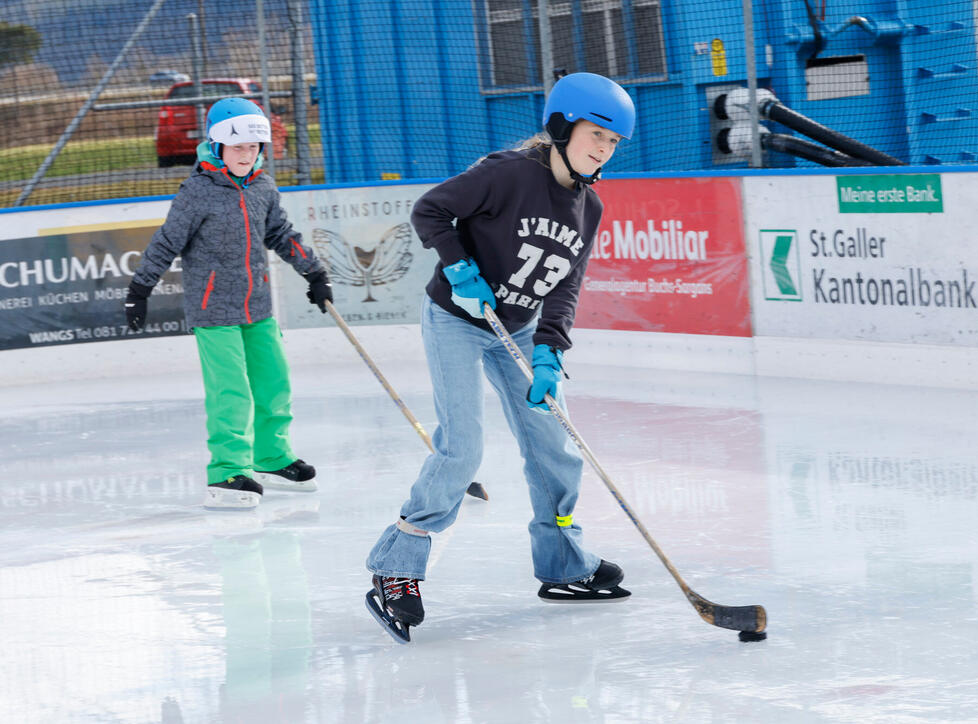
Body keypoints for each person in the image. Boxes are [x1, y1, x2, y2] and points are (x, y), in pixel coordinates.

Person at [364, 72, 636, 643]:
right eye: (596, 135)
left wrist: (548, 353)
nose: (603, 149)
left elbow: (565, 285)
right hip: (458, 319)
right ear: (562, 127)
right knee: (462, 448)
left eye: (612, 142)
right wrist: (459, 267)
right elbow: (431, 211)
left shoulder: (590, 207)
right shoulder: (508, 173)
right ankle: (397, 566)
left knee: (555, 448)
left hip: (520, 327)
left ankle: (564, 562)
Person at [124, 97, 334, 510]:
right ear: (217, 147)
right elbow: (167, 242)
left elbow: (282, 235)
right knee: (231, 392)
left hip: (257, 307)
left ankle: (271, 459)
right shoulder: (198, 191)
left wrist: (314, 272)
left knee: (274, 383)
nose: (246, 155)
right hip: (213, 311)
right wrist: (139, 289)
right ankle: (226, 471)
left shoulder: (263, 187)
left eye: (253, 147)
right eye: (237, 147)